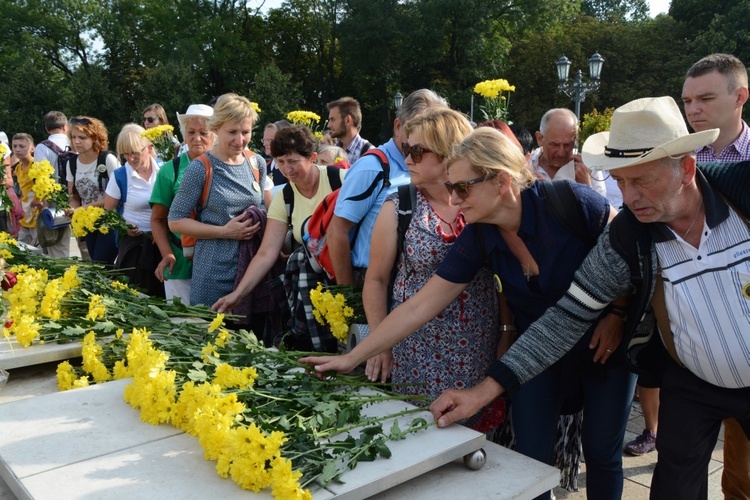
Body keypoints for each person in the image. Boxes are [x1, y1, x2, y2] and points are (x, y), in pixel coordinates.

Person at [424, 96, 748, 500]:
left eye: (641, 180)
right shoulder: (629, 233)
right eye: (622, 182)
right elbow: (566, 316)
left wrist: (617, 313)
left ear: (685, 168)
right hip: (692, 386)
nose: (628, 198)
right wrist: (481, 392)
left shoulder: (742, 191)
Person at [302, 126, 635, 499]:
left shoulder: (570, 201)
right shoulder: (480, 233)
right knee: (531, 459)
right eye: (451, 187)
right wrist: (354, 357)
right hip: (534, 356)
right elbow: (420, 305)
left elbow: (626, 250)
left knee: (603, 454)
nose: (454, 199)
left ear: (501, 181)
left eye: (463, 187)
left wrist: (618, 313)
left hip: (602, 346)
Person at [362, 108, 502, 431]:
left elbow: (501, 278)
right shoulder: (400, 206)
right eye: (405, 149)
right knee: (421, 435)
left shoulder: (481, 203)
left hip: (478, 346)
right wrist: (381, 344)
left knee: (478, 443)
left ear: (447, 153)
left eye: (416, 150)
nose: (406, 158)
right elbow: (376, 280)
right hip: (417, 350)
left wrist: (505, 335)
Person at [212, 125, 346, 348]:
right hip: (316, 284)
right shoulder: (285, 197)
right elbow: (266, 253)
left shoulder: (339, 180)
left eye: (293, 161)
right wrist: (238, 295)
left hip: (349, 275)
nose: (287, 170)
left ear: (312, 157)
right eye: (281, 162)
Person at [327, 89, 448, 286]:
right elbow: (337, 231)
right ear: (398, 126)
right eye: (417, 126)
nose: (426, 133)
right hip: (371, 279)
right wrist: (347, 295)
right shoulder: (372, 167)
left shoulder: (432, 166)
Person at [168, 93, 270, 308]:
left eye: (245, 132)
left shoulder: (256, 162)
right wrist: (224, 231)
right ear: (216, 129)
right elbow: (175, 220)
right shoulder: (200, 168)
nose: (240, 140)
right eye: (232, 132)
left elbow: (263, 207)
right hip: (212, 274)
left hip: (252, 272)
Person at [149, 104, 214, 304]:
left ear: (215, 134)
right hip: (181, 262)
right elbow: (158, 219)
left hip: (218, 263)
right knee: (183, 327)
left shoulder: (227, 167)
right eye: (191, 132)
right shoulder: (170, 171)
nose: (197, 138)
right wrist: (167, 253)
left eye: (204, 133)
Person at [103, 124, 163, 297]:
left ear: (149, 148)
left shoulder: (164, 169)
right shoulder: (120, 176)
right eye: (125, 154)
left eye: (135, 152)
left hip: (163, 243)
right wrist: (123, 226)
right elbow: (109, 213)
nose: (130, 158)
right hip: (134, 246)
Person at [67, 116, 120, 264]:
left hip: (110, 222)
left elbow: (118, 195)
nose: (77, 141)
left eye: (82, 137)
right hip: (88, 223)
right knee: (96, 267)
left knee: (101, 264)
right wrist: (72, 209)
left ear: (95, 138)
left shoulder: (107, 159)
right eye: (73, 137)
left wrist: (84, 208)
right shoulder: (72, 163)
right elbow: (74, 196)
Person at [530, 108, 606, 196]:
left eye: (567, 144)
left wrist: (586, 187)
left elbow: (603, 208)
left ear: (575, 138)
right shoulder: (526, 166)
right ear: (539, 138)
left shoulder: (590, 169)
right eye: (554, 145)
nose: (561, 153)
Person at [34, 111, 73, 257]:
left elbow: (41, 177)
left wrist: (44, 205)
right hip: (77, 196)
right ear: (65, 126)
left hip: (54, 199)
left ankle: (60, 275)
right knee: (84, 244)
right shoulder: (75, 143)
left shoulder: (42, 147)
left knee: (56, 243)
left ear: (46, 128)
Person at [11, 134, 39, 245]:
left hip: (37, 214)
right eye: (14, 146)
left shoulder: (36, 166)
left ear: (32, 148)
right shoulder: (18, 167)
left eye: (22, 146)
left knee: (39, 251)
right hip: (24, 214)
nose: (17, 149)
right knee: (21, 248)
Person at [326, 97, 371, 164]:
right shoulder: (331, 152)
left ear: (347, 120)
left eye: (332, 119)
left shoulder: (369, 154)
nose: (328, 125)